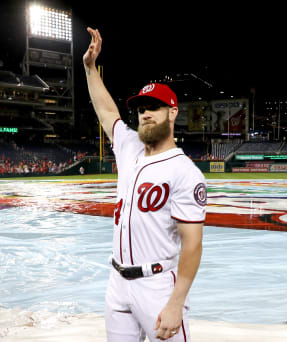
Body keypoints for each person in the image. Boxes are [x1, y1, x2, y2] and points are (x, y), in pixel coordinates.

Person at [83, 27, 206, 342]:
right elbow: (106, 110)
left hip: (156, 284)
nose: (146, 114)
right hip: (116, 280)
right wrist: (89, 68)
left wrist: (175, 303)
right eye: (140, 109)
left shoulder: (185, 172)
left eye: (154, 107)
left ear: (172, 112)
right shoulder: (129, 146)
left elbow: (192, 245)